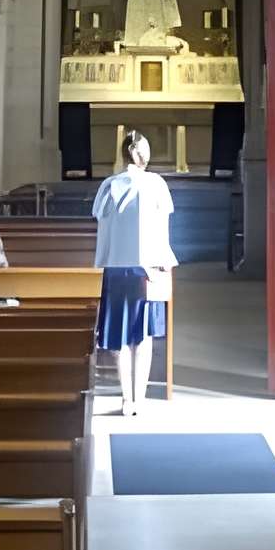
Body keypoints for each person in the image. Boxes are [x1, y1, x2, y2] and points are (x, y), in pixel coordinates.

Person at [92, 130, 176, 415]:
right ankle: (139, 398)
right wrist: (164, 261)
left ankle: (126, 399)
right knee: (143, 335)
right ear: (141, 154)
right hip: (147, 267)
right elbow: (162, 229)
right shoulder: (156, 184)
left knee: (120, 335)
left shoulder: (108, 186)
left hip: (116, 267)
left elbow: (102, 231)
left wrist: (102, 262)